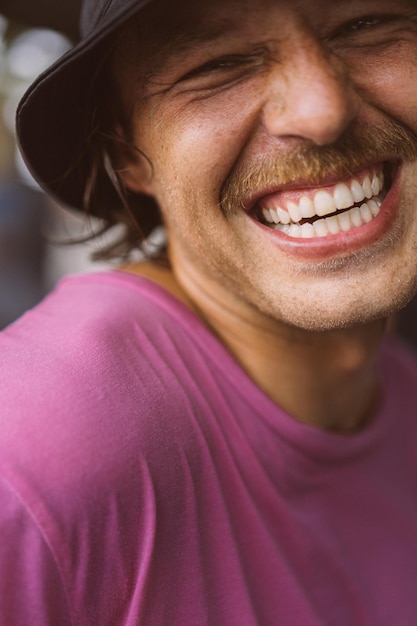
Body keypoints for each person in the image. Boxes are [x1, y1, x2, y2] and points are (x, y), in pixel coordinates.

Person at [2, 0, 417, 623]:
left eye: (366, 26)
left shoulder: (397, 395)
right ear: (127, 155)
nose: (321, 110)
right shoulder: (33, 452)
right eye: (217, 66)